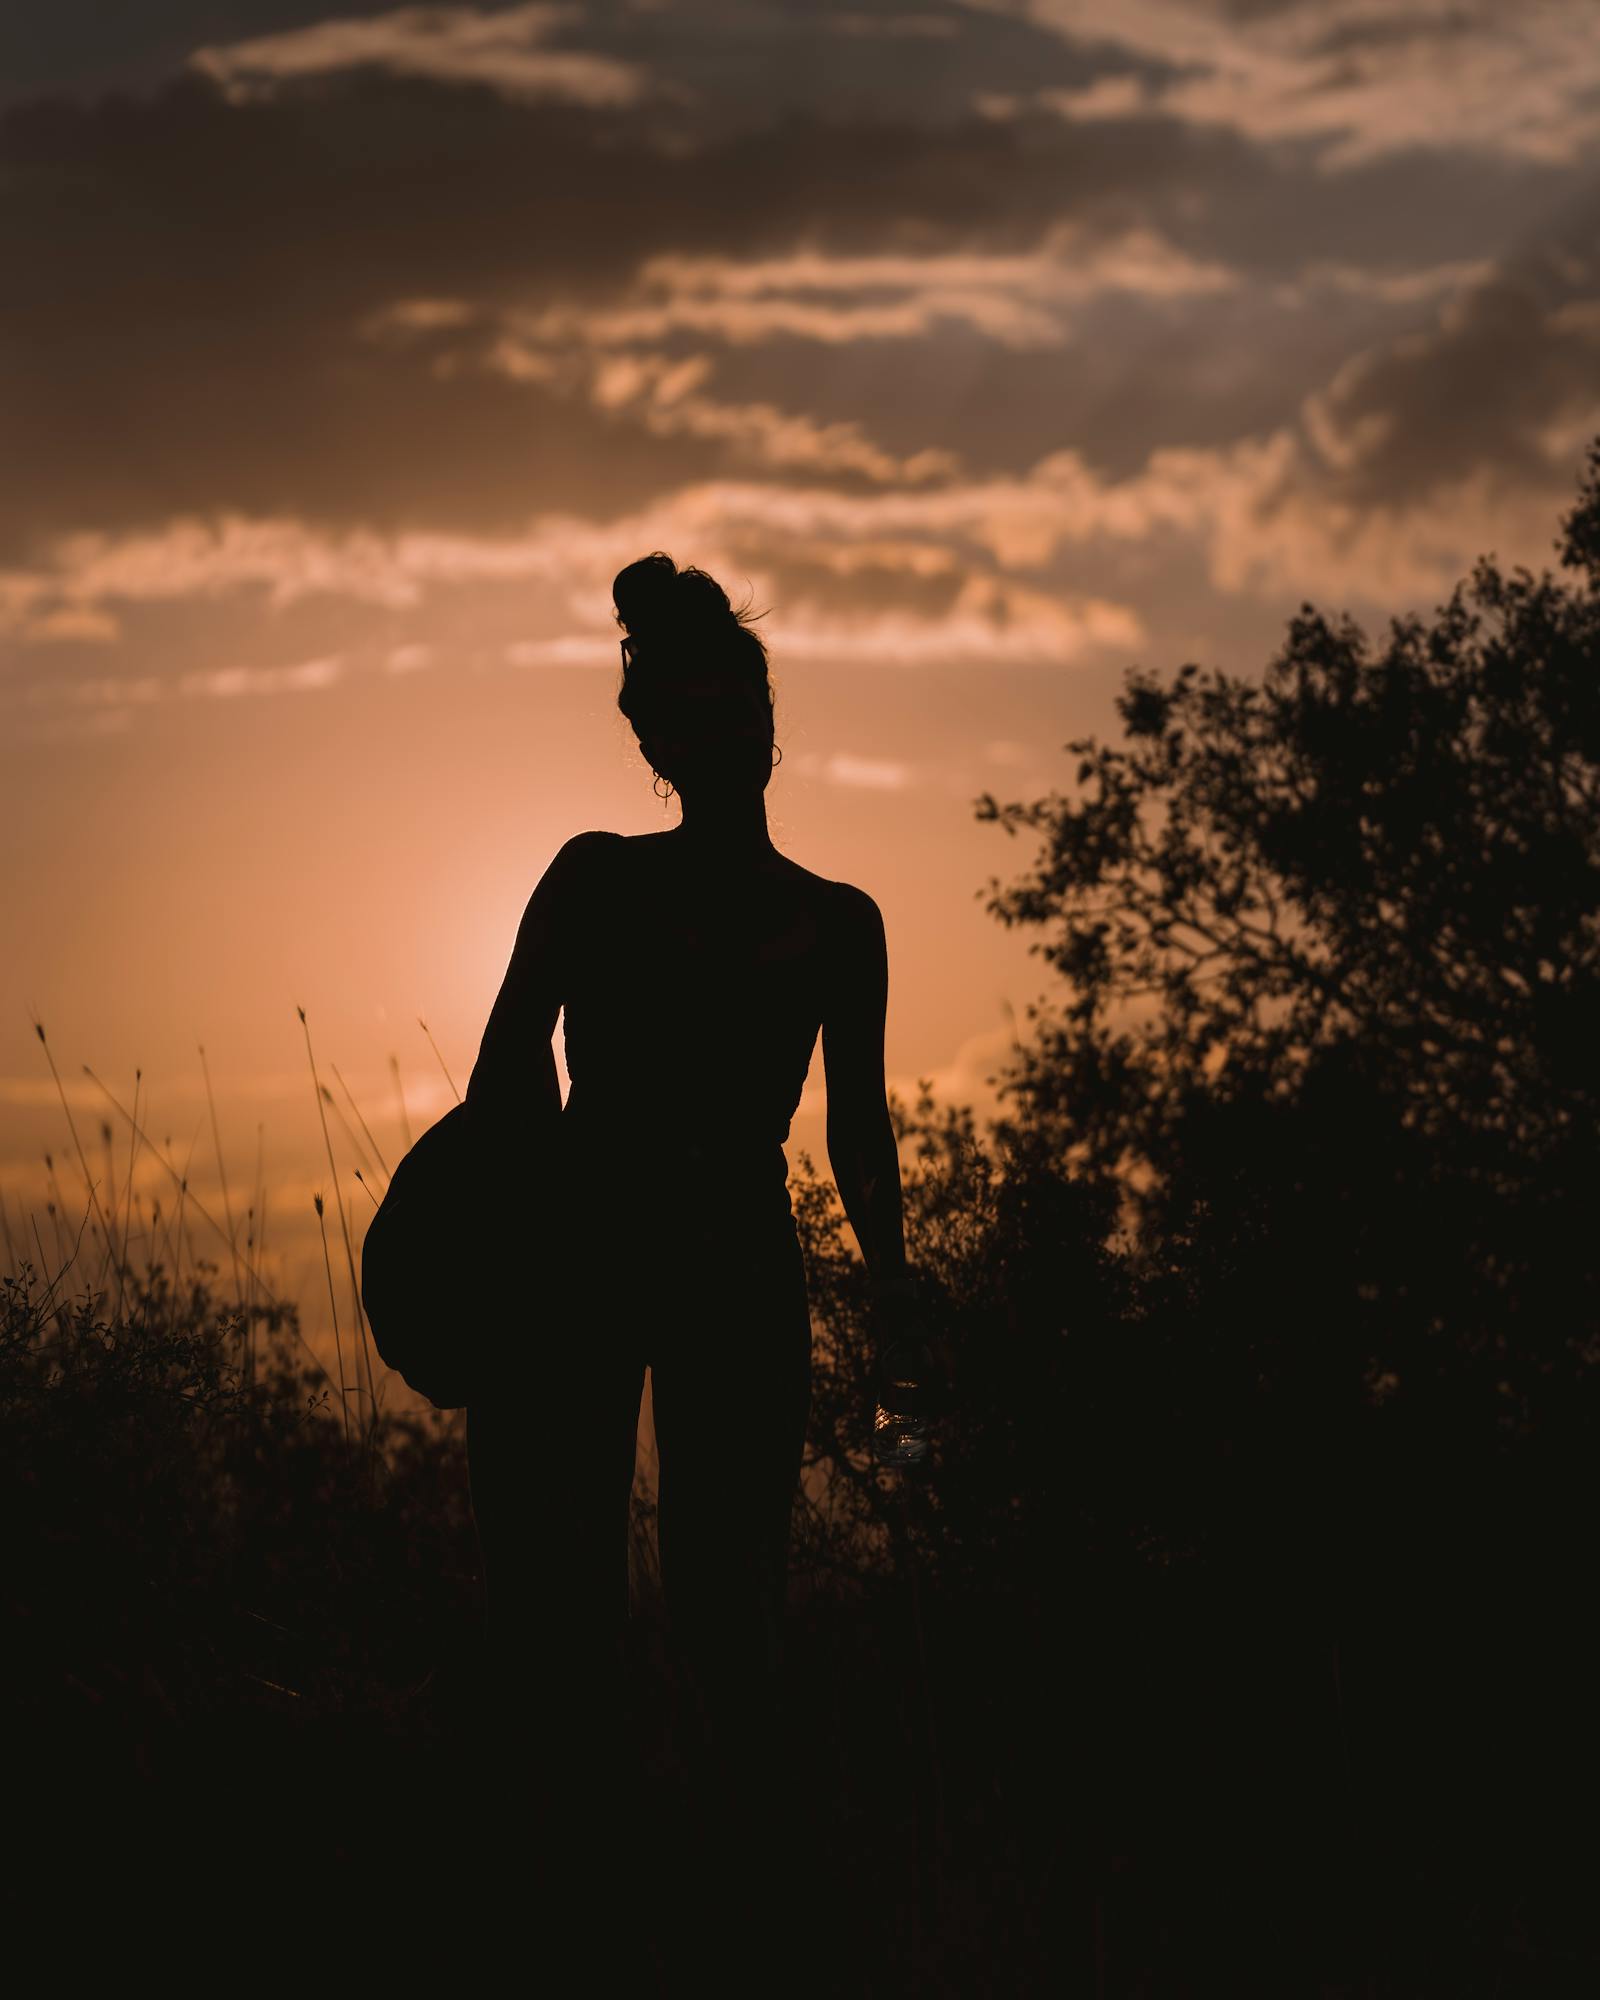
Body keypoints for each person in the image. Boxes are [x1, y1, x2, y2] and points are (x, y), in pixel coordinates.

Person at [458, 554, 943, 1981]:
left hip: (743, 1262)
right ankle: (577, 1906)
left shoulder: (842, 922)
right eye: (679, 712)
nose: (712, 729)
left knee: (734, 1605)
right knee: (566, 1606)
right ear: (652, 743)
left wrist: (894, 1284)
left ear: (766, 720)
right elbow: (505, 1065)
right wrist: (519, 1233)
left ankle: (753, 1912)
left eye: (730, 702)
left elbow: (858, 1124)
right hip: (584, 1260)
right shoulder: (592, 878)